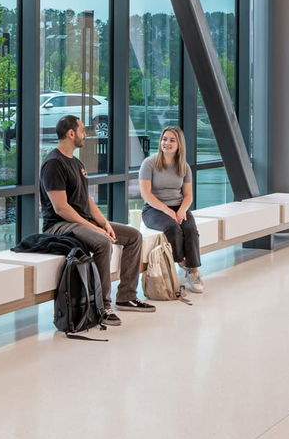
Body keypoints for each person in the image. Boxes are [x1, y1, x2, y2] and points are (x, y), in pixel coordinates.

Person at [40, 114, 154, 321]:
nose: (86, 134)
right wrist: (95, 229)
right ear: (71, 133)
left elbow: (87, 201)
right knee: (102, 242)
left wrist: (103, 223)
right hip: (59, 225)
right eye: (83, 130)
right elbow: (61, 208)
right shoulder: (53, 164)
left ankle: (126, 296)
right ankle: (101, 306)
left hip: (81, 221)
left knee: (133, 236)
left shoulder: (76, 162)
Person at [138, 125, 204, 293]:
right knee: (172, 228)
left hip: (178, 206)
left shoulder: (184, 167)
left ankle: (194, 271)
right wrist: (168, 211)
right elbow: (146, 194)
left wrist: (181, 211)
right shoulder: (149, 163)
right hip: (153, 209)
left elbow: (188, 195)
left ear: (179, 144)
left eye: (171, 140)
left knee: (190, 229)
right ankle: (183, 263)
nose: (166, 143)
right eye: (164, 139)